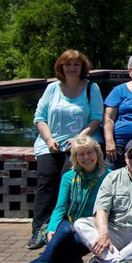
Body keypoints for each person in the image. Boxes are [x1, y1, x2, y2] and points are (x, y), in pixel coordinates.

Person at [0, 136, 109, 263]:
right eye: (81, 154)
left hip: (90, 227)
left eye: (89, 153)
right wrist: (52, 228)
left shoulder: (109, 176)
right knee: (62, 231)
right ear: (75, 157)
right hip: (69, 221)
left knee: (62, 251)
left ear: (97, 153)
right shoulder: (69, 177)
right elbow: (60, 207)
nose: (86, 157)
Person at [28, 49, 104, 250]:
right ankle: (39, 229)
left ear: (82, 67)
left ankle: (65, 226)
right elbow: (40, 117)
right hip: (51, 144)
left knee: (69, 179)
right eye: (68, 65)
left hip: (82, 144)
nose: (72, 68)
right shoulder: (52, 88)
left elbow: (96, 117)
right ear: (61, 67)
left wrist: (79, 138)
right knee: (46, 179)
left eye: (76, 65)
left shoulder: (91, 88)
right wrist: (49, 138)